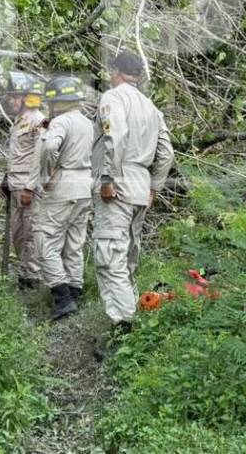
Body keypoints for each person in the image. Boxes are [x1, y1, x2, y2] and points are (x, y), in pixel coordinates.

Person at [93, 51, 174, 358]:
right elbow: (166, 153)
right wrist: (154, 186)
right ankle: (130, 316)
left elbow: (115, 138)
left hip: (119, 184)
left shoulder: (113, 98)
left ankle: (124, 329)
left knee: (109, 256)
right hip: (140, 186)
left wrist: (107, 179)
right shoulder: (151, 108)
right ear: (138, 75)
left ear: (115, 71)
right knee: (127, 255)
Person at [35, 75, 95, 320]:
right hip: (85, 184)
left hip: (64, 184)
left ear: (56, 101)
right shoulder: (87, 122)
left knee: (45, 239)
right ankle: (74, 289)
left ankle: (62, 296)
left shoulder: (60, 122)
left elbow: (49, 148)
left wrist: (48, 173)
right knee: (74, 242)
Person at [1, 71, 46, 290]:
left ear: (28, 97)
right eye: (10, 96)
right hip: (16, 185)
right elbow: (17, 154)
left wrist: (30, 186)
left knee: (31, 233)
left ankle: (33, 278)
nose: (11, 100)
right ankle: (24, 272)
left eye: (16, 96)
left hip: (29, 187)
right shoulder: (18, 122)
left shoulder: (38, 120)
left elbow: (39, 157)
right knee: (18, 234)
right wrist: (6, 179)